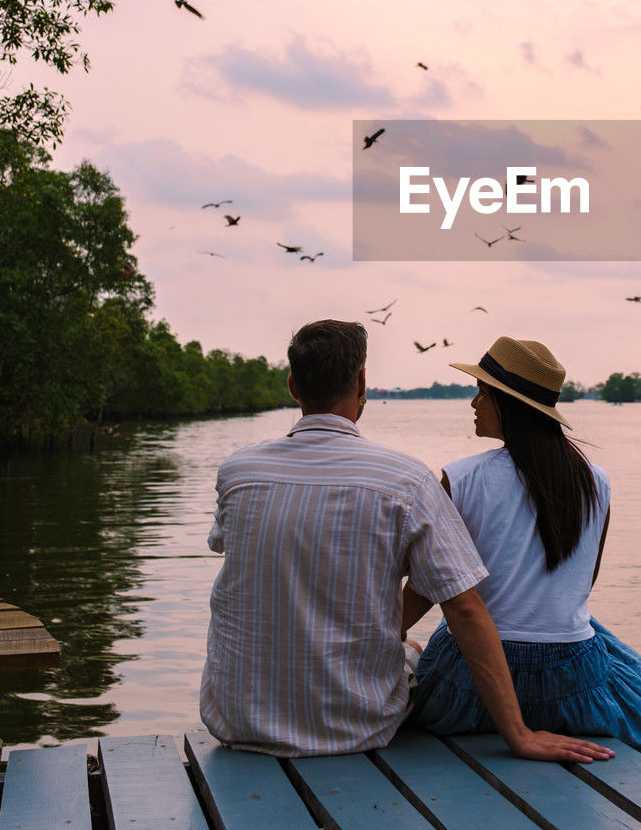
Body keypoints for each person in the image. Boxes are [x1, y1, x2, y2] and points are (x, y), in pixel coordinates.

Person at [199, 318, 613, 763]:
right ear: (362, 383)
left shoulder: (238, 471)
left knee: (409, 647)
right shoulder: (406, 481)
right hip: (355, 725)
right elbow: (465, 605)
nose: (474, 401)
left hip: (235, 719)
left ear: (292, 385)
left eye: (482, 391)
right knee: (409, 652)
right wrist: (519, 734)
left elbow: (235, 547)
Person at [404, 335, 641, 767]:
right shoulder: (596, 482)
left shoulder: (461, 480)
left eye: (483, 393)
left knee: (430, 645)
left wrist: (384, 636)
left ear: (507, 404)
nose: (473, 403)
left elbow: (422, 591)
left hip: (472, 688)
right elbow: (580, 585)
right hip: (571, 685)